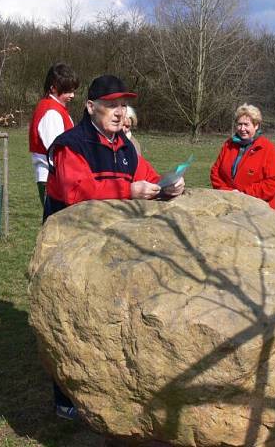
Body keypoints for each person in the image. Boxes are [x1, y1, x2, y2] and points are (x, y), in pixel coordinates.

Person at [41, 74, 185, 419]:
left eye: (123, 105)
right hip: (70, 249)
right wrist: (128, 192)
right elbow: (79, 192)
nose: (120, 113)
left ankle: (110, 394)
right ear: (91, 108)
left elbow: (146, 176)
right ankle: (66, 400)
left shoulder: (124, 147)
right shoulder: (70, 145)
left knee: (105, 319)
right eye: (111, 105)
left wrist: (166, 186)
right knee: (71, 321)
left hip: (110, 247)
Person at [210, 103, 275, 209]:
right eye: (239, 124)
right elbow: (215, 172)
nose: (242, 128)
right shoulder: (228, 144)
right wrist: (228, 192)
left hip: (258, 209)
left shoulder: (267, 148)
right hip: (229, 203)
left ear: (256, 125)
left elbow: (274, 180)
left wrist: (244, 195)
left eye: (246, 124)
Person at [28, 63, 79, 206]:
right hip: (53, 180)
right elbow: (58, 151)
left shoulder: (56, 109)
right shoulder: (51, 112)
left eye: (73, 90)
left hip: (58, 178)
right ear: (54, 87)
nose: (72, 95)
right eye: (68, 91)